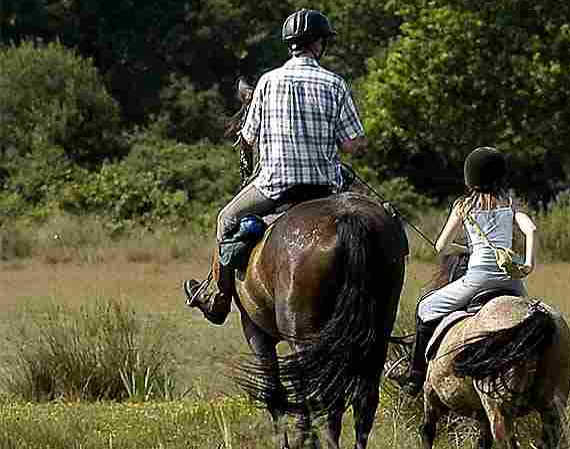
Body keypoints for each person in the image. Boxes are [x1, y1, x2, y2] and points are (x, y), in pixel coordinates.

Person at [184, 9, 365, 325]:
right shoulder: (335, 83)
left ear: (291, 44)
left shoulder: (267, 82)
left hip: (275, 185)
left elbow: (249, 138)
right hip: (325, 187)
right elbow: (353, 144)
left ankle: (218, 299)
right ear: (319, 44)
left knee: (225, 218)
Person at [395, 147, 537, 394]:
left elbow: (441, 247)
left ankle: (416, 376)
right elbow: (531, 230)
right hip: (512, 282)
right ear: (501, 177)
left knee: (425, 308)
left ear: (470, 178)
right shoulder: (510, 204)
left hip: (477, 279)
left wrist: (469, 250)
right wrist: (528, 263)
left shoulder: (464, 206)